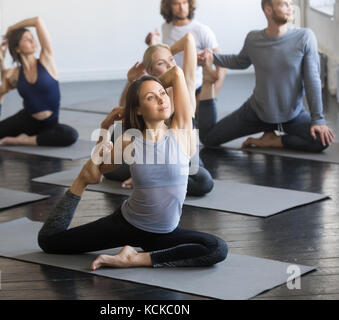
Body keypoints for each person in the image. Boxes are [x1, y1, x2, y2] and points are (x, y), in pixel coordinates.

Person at [37, 65, 228, 270]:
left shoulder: (181, 131)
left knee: (217, 248)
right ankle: (78, 185)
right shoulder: (130, 140)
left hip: (166, 233)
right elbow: (96, 170)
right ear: (137, 108)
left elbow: (177, 73)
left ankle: (134, 258)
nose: (162, 99)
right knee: (50, 242)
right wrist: (104, 128)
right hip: (126, 224)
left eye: (162, 93)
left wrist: (144, 85)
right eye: (150, 98)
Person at [197, 0, 335, 152]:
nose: (290, 8)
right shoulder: (253, 39)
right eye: (284, 4)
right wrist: (212, 58)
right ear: (268, 10)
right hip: (256, 112)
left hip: (292, 115)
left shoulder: (305, 37)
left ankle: (273, 140)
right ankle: (207, 84)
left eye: (290, 3)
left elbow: (313, 80)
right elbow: (240, 61)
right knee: (208, 138)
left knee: (322, 141)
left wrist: (318, 119)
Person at [107, 33, 214, 196]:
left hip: (184, 160)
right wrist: (132, 82)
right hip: (151, 160)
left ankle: (149, 180)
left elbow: (189, 39)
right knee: (109, 166)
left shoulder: (186, 86)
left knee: (204, 181)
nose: (170, 65)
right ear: (150, 70)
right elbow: (125, 113)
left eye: (171, 59)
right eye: (161, 63)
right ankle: (147, 177)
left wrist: (161, 49)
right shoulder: (148, 98)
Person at [0, 17, 79, 147]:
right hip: (27, 121)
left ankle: (23, 140)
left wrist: (12, 28)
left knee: (71, 135)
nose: (33, 41)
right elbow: (5, 85)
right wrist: (1, 60)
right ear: (18, 48)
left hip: (50, 124)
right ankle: (36, 139)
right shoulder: (15, 73)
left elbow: (37, 21)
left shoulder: (46, 60)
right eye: (26, 39)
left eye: (32, 37)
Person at [146, 0, 226, 102]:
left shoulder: (201, 30)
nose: (182, 7)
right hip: (172, 87)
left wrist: (212, 95)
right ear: (168, 6)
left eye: (184, 2)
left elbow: (222, 67)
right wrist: (152, 43)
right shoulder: (165, 27)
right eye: (176, 3)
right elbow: (164, 55)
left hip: (194, 88)